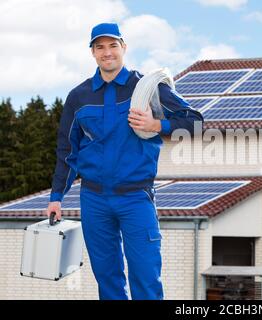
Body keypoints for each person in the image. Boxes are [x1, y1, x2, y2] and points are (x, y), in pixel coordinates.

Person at [46, 22, 204, 300]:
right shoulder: (78, 97)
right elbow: (67, 151)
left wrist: (157, 124)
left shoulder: (147, 88)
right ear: (93, 52)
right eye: (100, 47)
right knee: (108, 282)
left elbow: (196, 123)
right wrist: (57, 196)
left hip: (135, 198)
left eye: (112, 45)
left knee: (145, 278)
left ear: (124, 48)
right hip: (94, 199)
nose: (107, 52)